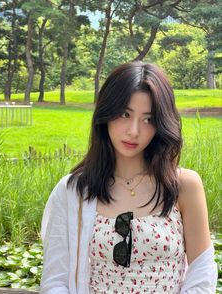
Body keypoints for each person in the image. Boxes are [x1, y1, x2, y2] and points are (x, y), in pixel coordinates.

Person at [40, 62, 217, 294]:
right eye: (125, 114)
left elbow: (201, 276)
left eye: (148, 119)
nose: (134, 131)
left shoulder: (183, 185)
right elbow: (55, 281)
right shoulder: (73, 191)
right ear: (106, 114)